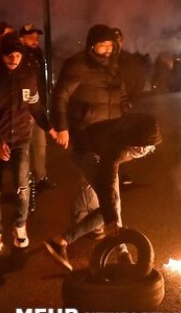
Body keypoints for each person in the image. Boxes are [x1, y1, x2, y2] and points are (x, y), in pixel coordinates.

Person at [44, 113, 161, 270]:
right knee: (109, 208)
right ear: (130, 141)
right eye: (137, 147)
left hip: (96, 149)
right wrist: (111, 219)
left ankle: (122, 253)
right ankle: (60, 242)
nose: (141, 150)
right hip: (86, 155)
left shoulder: (140, 128)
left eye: (146, 147)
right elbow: (107, 186)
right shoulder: (115, 146)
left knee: (112, 207)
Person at [50, 24, 130, 238]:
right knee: (108, 195)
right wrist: (62, 128)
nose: (106, 50)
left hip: (110, 137)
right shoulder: (77, 65)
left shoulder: (114, 66)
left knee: (95, 187)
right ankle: (115, 241)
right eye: (101, 46)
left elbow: (121, 98)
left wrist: (127, 122)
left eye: (109, 46)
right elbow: (60, 97)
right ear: (91, 45)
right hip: (86, 135)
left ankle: (86, 226)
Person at [0, 34, 57, 252]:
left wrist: (50, 128)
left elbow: (35, 107)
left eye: (18, 54)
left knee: (22, 185)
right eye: (9, 54)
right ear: (1, 56)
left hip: (21, 138)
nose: (14, 58)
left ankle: (19, 226)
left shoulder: (29, 77)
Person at [19, 23, 56, 196]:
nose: (36, 40)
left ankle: (41, 178)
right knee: (25, 148)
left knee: (40, 145)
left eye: (37, 37)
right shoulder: (18, 55)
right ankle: (24, 184)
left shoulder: (37, 54)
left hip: (38, 105)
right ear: (22, 39)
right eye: (31, 37)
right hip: (25, 110)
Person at [112, 27, 147, 186]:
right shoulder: (105, 59)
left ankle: (123, 173)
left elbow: (139, 82)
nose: (116, 43)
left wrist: (132, 100)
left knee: (124, 141)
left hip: (126, 107)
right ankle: (111, 172)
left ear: (122, 41)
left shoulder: (129, 61)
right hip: (109, 108)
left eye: (118, 40)